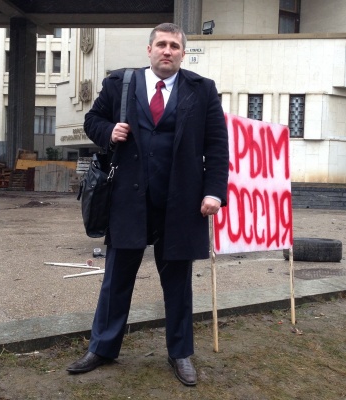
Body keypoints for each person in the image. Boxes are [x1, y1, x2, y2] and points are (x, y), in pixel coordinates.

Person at [66, 22, 229, 387]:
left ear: (182, 53)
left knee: (178, 284)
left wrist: (214, 192)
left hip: (181, 203)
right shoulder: (120, 83)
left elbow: (217, 145)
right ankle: (102, 348)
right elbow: (92, 120)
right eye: (161, 44)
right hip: (128, 200)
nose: (167, 50)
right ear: (149, 49)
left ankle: (180, 353)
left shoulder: (202, 90)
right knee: (116, 280)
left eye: (174, 46)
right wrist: (109, 132)